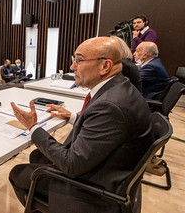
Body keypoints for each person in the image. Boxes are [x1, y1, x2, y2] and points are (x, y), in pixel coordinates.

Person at [9, 37, 154, 213]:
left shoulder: (110, 106)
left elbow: (71, 164)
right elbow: (105, 128)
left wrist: (33, 128)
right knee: (37, 156)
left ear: (105, 66)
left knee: (17, 173)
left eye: (79, 60)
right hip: (112, 170)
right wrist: (73, 118)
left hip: (95, 192)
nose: (72, 67)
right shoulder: (120, 87)